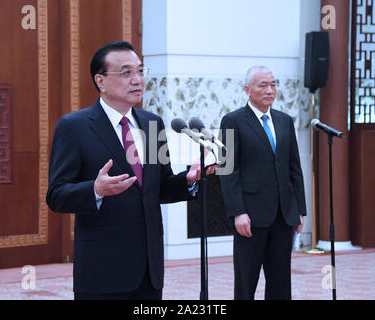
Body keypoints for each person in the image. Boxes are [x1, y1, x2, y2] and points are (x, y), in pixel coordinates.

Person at [46, 41, 216, 300]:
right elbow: (56, 194)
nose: (137, 80)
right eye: (126, 73)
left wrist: (188, 178)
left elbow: (159, 187)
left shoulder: (151, 124)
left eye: (140, 71)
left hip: (149, 270)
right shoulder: (74, 127)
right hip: (102, 271)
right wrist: (95, 190)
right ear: (100, 81)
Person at [218, 66, 306, 300]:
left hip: (283, 214)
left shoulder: (285, 121)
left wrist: (298, 209)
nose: (270, 90)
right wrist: (238, 212)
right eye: (263, 85)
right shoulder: (232, 120)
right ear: (248, 90)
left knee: (280, 282)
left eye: (273, 84)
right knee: (247, 282)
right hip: (250, 216)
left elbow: (294, 169)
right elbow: (228, 170)